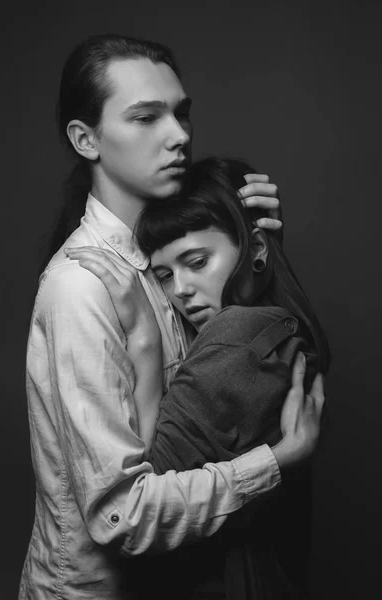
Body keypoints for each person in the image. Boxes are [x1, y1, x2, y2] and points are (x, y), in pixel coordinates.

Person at [20, 33, 325, 600]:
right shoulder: (82, 287)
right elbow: (121, 517)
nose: (179, 135)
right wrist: (276, 463)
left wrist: (259, 251)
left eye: (181, 113)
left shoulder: (167, 260)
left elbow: (239, 382)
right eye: (146, 117)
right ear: (87, 139)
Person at [67, 156, 329, 599]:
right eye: (165, 274)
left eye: (197, 261)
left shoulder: (235, 339)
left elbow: (143, 502)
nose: (181, 290)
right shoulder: (279, 327)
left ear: (257, 249)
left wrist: (145, 340)